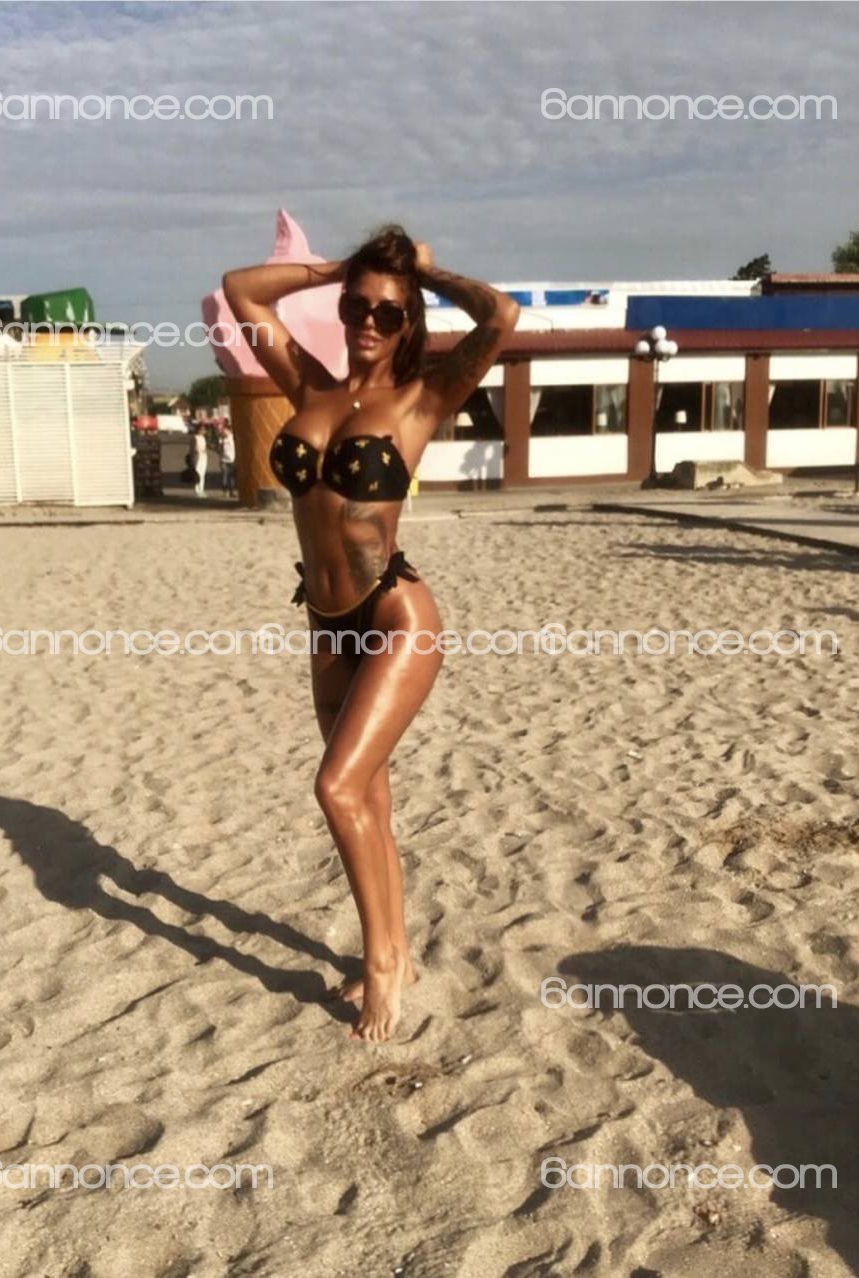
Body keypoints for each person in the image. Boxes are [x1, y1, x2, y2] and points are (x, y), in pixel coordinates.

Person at [223, 226, 519, 1041]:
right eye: (357, 306)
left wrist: (426, 270)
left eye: (389, 313)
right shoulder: (308, 383)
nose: (368, 322)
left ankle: (383, 964)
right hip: (325, 622)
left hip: (395, 615)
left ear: (409, 322)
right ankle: (395, 950)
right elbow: (241, 289)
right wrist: (337, 268)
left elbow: (500, 314)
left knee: (338, 788)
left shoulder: (425, 397)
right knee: (371, 800)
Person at [217, 421, 237, 498]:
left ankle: (232, 491)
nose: (224, 432)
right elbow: (219, 450)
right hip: (224, 460)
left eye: (225, 430)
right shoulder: (221, 439)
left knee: (232, 477)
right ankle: (225, 492)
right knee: (224, 476)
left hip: (232, 459)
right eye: (223, 430)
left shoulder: (233, 438)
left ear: (229, 431)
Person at [191, 422, 208, 497]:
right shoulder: (195, 438)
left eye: (204, 430)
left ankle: (201, 489)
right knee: (197, 473)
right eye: (202, 429)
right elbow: (192, 448)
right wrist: (192, 456)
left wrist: (204, 451)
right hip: (197, 457)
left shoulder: (203, 438)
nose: (203, 431)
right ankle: (197, 490)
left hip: (203, 457)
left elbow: (205, 447)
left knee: (202, 474)